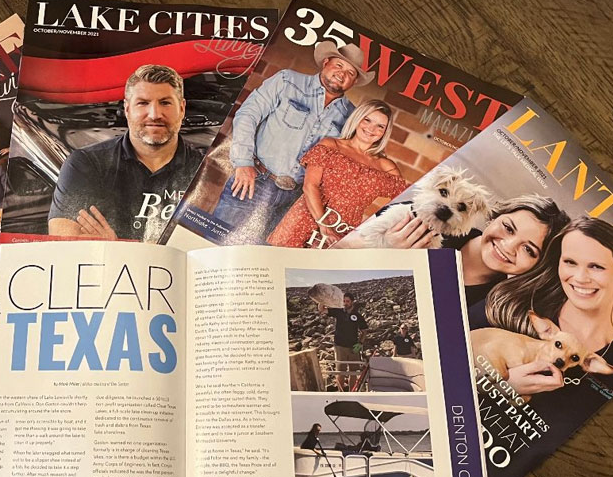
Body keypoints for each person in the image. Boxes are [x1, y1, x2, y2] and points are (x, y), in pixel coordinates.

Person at [213, 42, 373, 243]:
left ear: (354, 82)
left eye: (351, 73)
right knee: (216, 244)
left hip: (293, 200)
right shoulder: (287, 81)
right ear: (326, 62)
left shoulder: (351, 117)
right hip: (255, 181)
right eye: (339, 65)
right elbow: (247, 115)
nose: (342, 74)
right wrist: (243, 162)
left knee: (257, 262)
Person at [48, 64, 203, 242]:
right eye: (143, 103)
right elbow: (64, 243)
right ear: (127, 109)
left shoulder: (207, 170)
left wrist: (115, 247)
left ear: (182, 108)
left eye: (165, 103)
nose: (154, 114)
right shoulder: (86, 163)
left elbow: (213, 251)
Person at [478, 218, 613, 411]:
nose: (580, 278)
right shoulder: (514, 301)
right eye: (570, 262)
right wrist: (502, 385)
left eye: (596, 266)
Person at [346, 194, 569, 307]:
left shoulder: (492, 306)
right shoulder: (428, 220)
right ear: (494, 216)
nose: (508, 246)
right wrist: (383, 249)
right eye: (508, 228)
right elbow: (334, 248)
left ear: (538, 265)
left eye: (529, 250)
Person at [267, 99, 406, 246]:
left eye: (380, 126)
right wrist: (324, 226)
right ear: (357, 119)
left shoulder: (386, 167)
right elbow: (310, 186)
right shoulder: (330, 145)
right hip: (304, 219)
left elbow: (406, 204)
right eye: (367, 120)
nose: (371, 129)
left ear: (385, 132)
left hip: (343, 230)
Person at [319, 292, 368, 390]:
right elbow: (322, 310)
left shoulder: (357, 316)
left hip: (353, 348)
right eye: (344, 301)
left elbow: (364, 331)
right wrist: (322, 300)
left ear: (352, 302)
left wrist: (360, 343)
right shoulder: (338, 311)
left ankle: (351, 392)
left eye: (347, 301)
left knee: (353, 372)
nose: (345, 303)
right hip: (340, 346)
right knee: (340, 372)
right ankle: (340, 392)